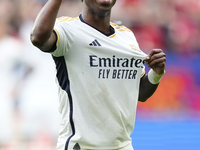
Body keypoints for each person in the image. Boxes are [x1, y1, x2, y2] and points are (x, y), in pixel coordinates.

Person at [30, 0, 166, 150]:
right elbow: (38, 37)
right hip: (81, 146)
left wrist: (156, 73)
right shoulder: (68, 30)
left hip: (123, 146)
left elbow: (140, 92)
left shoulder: (126, 37)